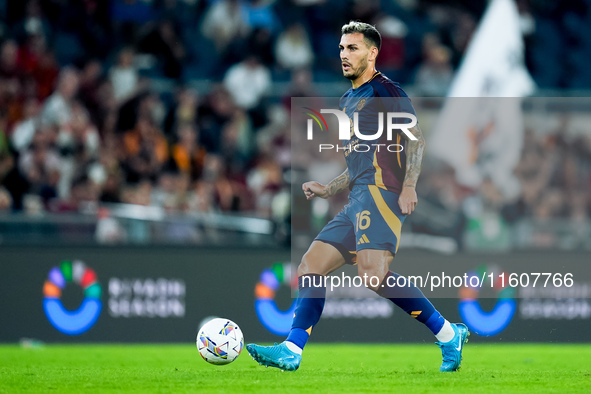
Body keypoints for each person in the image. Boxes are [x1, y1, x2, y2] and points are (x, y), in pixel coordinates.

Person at [246, 21, 469, 372]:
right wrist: (330, 188)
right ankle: (292, 348)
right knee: (310, 267)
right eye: (341, 48)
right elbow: (358, 161)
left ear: (372, 52)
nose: (344, 55)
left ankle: (446, 334)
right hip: (357, 198)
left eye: (352, 48)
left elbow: (415, 140)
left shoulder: (387, 91)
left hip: (383, 194)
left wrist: (409, 185)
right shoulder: (348, 99)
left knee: (373, 276)